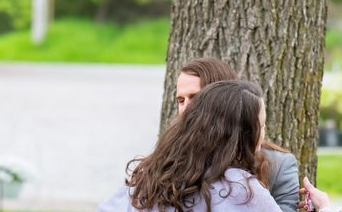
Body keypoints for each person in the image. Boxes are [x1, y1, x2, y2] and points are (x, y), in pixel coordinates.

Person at [100, 80, 287, 211]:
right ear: (241, 134)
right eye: (261, 125)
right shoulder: (241, 190)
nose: (263, 133)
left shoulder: (152, 178)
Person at [175, 58, 334, 212]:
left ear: (225, 100)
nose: (185, 109)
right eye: (181, 100)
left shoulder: (276, 167)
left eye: (195, 98)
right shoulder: (167, 163)